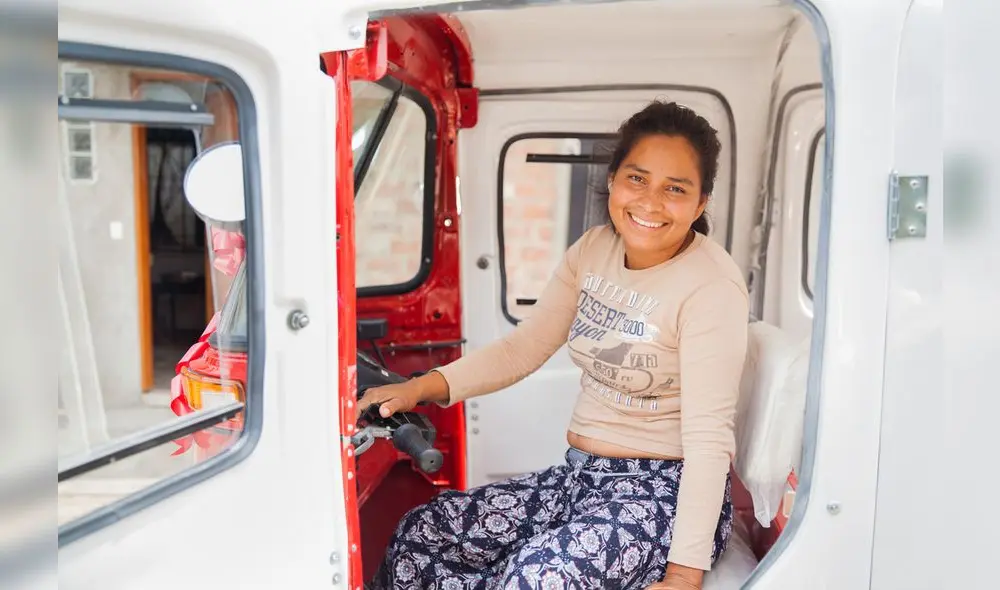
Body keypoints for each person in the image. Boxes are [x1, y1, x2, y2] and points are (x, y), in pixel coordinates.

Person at [359, 100, 749, 590]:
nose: (651, 201)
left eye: (675, 188)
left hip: (661, 498)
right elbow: (522, 349)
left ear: (701, 202)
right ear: (613, 179)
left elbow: (710, 438)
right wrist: (418, 388)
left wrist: (684, 576)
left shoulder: (711, 288)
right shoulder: (594, 249)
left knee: (536, 578)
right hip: (578, 479)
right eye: (637, 178)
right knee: (423, 533)